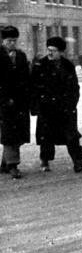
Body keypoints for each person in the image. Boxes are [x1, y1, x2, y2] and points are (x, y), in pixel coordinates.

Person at [30, 36, 82, 173]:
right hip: (46, 107)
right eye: (48, 50)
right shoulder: (40, 65)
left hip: (65, 107)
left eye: (53, 50)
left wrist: (72, 104)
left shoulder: (67, 65)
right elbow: (33, 87)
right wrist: (36, 106)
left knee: (71, 135)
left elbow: (74, 87)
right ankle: (44, 161)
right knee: (46, 137)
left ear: (61, 52)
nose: (50, 53)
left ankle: (78, 161)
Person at [0, 26, 30, 179]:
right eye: (9, 41)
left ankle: (5, 163)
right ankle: (13, 165)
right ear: (3, 40)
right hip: (4, 102)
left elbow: (26, 77)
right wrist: (4, 98)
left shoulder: (21, 56)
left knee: (18, 134)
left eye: (14, 40)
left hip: (20, 101)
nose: (12, 43)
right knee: (9, 133)